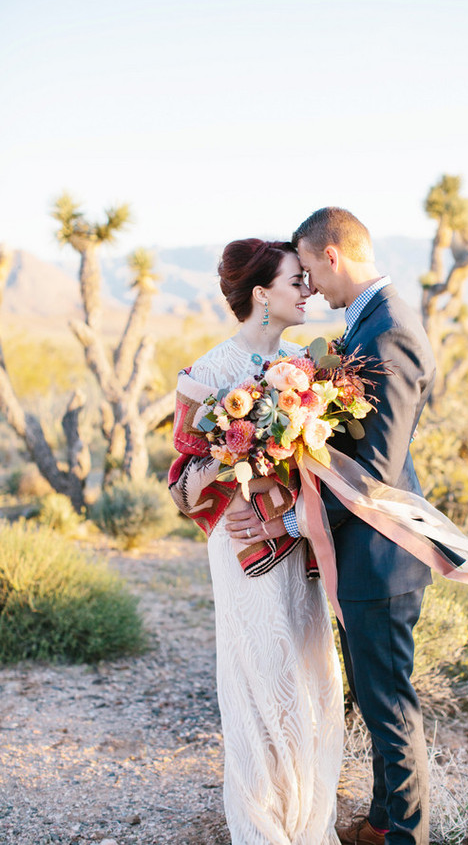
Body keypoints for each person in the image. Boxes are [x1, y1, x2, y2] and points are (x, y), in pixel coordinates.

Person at [168, 238, 344, 845]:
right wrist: (228, 446)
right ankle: (263, 828)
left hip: (298, 544)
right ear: (262, 294)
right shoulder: (208, 374)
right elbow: (183, 492)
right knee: (258, 682)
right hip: (243, 554)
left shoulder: (308, 370)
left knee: (312, 678)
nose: (308, 289)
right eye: (297, 280)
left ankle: (310, 822)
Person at [292, 208, 435, 845]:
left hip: (381, 550)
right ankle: (381, 824)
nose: (311, 287)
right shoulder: (369, 323)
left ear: (333, 253)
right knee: (375, 704)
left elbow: (373, 467)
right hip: (367, 551)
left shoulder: (389, 330)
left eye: (310, 270)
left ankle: (408, 837)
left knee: (390, 707)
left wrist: (300, 497)